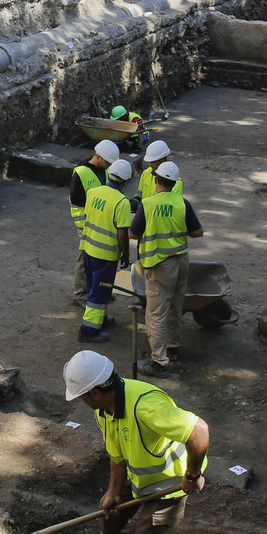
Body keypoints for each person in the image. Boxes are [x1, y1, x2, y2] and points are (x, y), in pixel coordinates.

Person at [63, 350, 210, 534]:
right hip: (137, 477)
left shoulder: (146, 407)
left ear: (93, 392)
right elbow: (117, 453)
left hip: (168, 484)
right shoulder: (103, 409)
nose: (79, 400)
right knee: (110, 522)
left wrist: (192, 475)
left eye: (80, 395)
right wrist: (113, 492)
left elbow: (199, 430)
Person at [128, 162, 203, 376]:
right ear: (174, 183)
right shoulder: (183, 203)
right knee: (175, 307)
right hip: (181, 262)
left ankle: (159, 362)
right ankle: (172, 347)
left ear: (156, 180)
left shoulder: (148, 204)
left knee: (156, 313)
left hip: (159, 264)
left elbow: (133, 234)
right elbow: (198, 232)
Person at [78, 159, 133, 343]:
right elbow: (122, 234)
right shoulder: (122, 202)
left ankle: (99, 320)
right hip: (106, 254)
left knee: (94, 285)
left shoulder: (93, 192)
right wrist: (126, 254)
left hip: (88, 248)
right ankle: (88, 330)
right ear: (125, 181)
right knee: (99, 292)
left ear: (110, 174)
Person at [70, 140, 120, 304]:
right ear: (98, 157)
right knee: (85, 259)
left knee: (97, 259)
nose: (109, 166)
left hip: (98, 221)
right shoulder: (81, 172)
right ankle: (81, 294)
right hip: (85, 223)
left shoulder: (103, 171)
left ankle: (98, 290)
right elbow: (76, 198)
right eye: (108, 162)